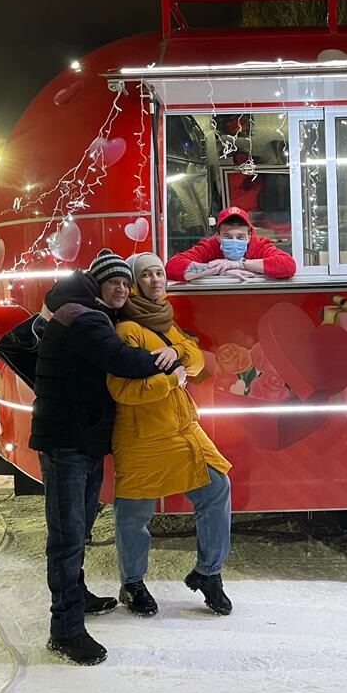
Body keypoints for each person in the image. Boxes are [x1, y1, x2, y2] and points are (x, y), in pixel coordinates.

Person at [29, 249, 165, 666]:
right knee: (67, 537)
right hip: (67, 442)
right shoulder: (83, 317)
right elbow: (122, 361)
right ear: (96, 284)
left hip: (81, 439)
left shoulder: (87, 311)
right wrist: (167, 361)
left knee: (80, 528)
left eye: (126, 282)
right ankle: (65, 630)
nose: (122, 289)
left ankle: (78, 596)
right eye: (114, 282)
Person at [108, 252, 234, 616]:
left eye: (159, 273)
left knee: (217, 486)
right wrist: (170, 380)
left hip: (181, 428)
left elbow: (196, 359)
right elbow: (122, 390)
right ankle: (132, 584)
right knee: (135, 513)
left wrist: (176, 351)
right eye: (146, 275)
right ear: (135, 283)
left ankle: (209, 573)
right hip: (141, 435)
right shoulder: (127, 330)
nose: (155, 280)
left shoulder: (166, 321)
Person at [165, 205, 296, 281]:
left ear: (249, 236)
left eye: (240, 237)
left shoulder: (260, 245)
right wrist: (220, 270)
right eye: (227, 236)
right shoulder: (209, 245)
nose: (234, 241)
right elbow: (172, 267)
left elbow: (287, 265)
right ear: (218, 236)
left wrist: (240, 264)